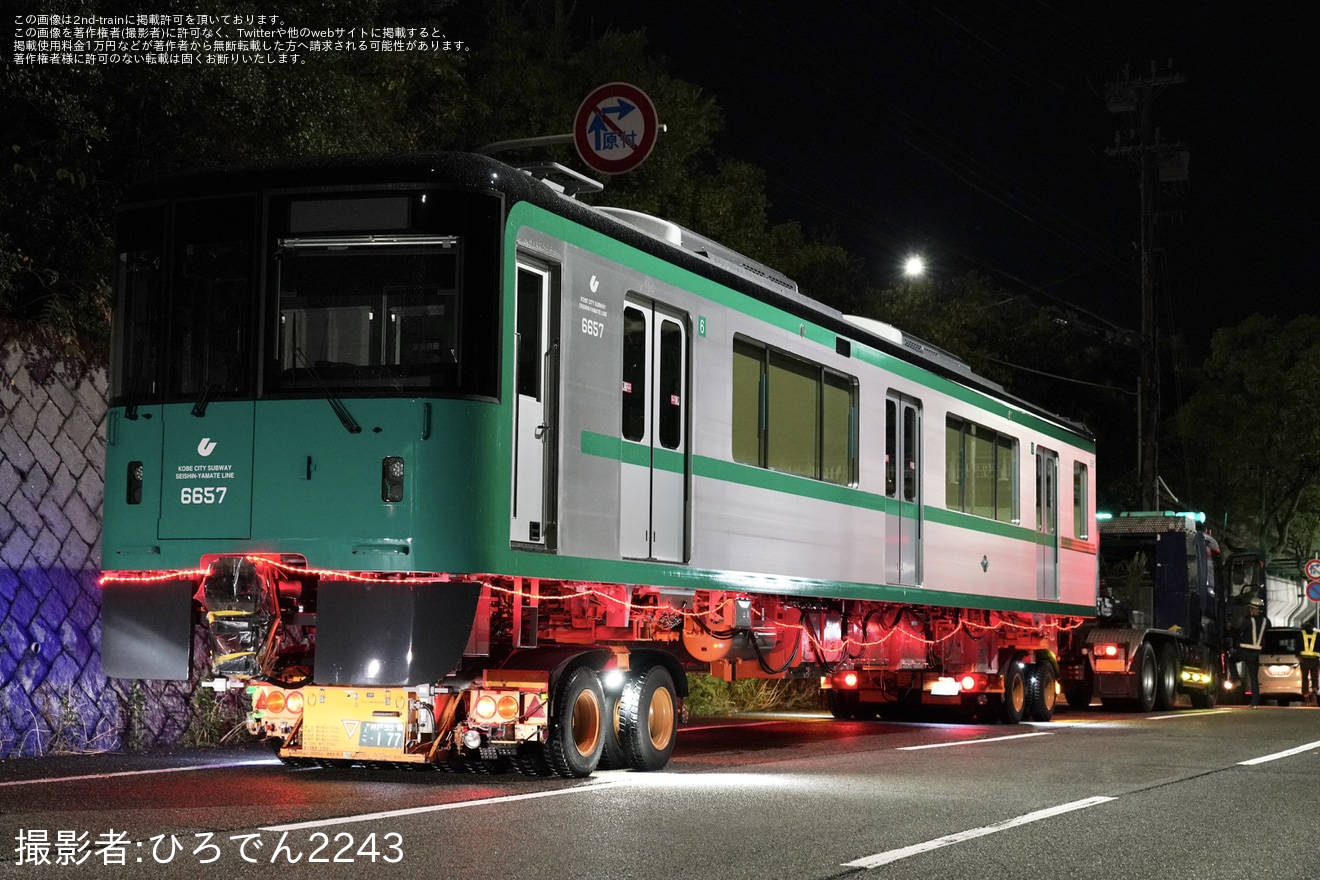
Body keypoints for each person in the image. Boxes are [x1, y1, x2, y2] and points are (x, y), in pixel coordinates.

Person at [1237, 598, 1270, 708]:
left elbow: (1240, 630)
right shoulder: (1266, 621)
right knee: (1254, 678)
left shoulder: (1248, 620)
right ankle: (1255, 702)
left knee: (1231, 660)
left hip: (1244, 651)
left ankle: (1235, 679)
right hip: (1255, 654)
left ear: (1252, 609)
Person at [1300, 623, 1319, 703]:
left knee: (1305, 678)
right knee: (1314, 677)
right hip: (1315, 659)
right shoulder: (1317, 635)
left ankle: (1306, 695)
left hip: (1304, 660)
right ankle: (1314, 691)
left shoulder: (1301, 635)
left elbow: (1298, 645)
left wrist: (1298, 656)